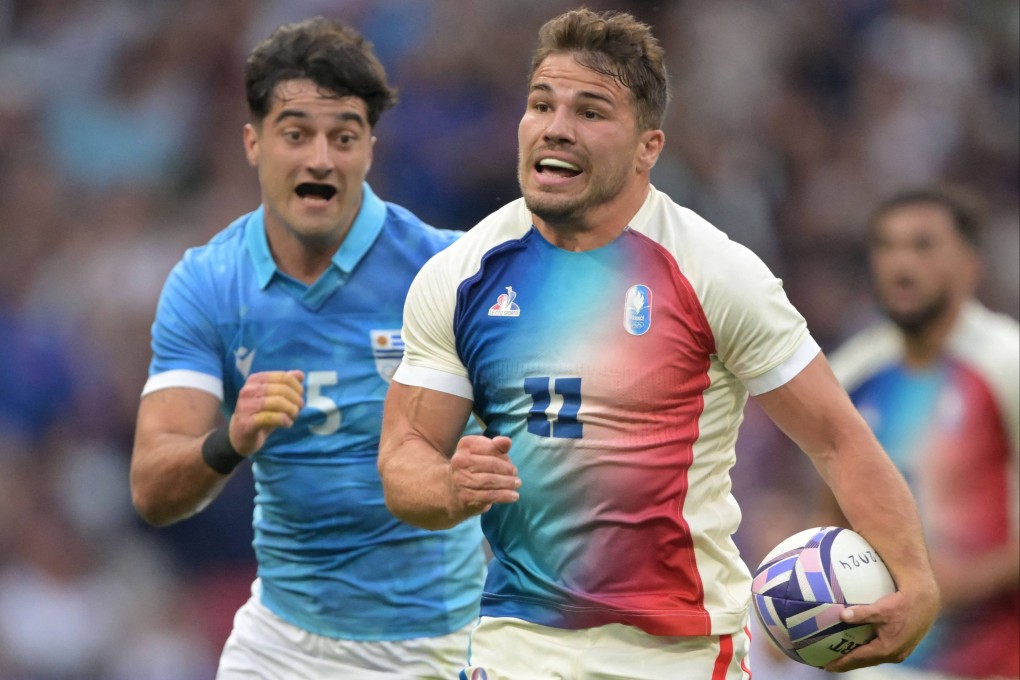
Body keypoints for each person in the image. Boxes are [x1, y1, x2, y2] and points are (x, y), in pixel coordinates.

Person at [376, 9, 939, 680]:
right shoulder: (460, 275)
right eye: (541, 104)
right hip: (518, 648)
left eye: (590, 111)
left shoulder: (715, 272)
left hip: (682, 656)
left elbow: (836, 437)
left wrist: (915, 578)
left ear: (648, 147)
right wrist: (448, 484)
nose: (556, 126)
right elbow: (404, 457)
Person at [129, 17, 485, 679]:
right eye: (296, 133)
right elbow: (152, 486)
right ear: (253, 143)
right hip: (282, 645)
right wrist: (228, 440)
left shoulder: (448, 272)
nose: (320, 157)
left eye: (343, 136)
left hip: (437, 644)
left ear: (369, 150)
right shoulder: (209, 281)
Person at [828, 187, 1019, 680]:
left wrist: (948, 584)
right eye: (886, 246)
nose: (900, 264)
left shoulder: (1007, 365)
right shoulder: (849, 373)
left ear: (971, 264)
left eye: (923, 245)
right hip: (877, 663)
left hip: (993, 659)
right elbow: (829, 513)